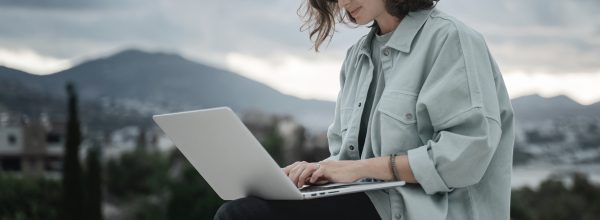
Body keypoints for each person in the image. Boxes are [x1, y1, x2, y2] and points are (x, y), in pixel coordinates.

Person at [215, 0, 515, 219]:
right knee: (241, 209)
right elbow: (345, 158)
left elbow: (466, 154)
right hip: (367, 202)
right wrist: (316, 171)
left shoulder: (452, 39)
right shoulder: (357, 57)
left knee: (244, 216)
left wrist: (357, 169)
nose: (343, 2)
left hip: (427, 212)